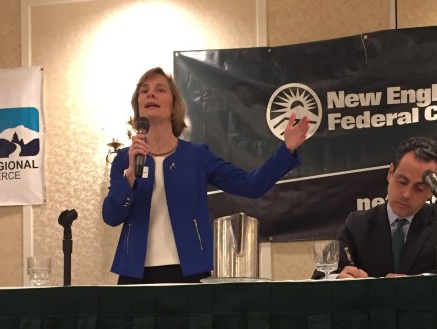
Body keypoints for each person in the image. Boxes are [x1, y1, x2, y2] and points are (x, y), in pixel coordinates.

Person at [103, 67, 309, 284]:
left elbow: (251, 186)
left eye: (160, 90)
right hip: (134, 274)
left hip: (189, 272)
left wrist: (287, 150)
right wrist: (129, 176)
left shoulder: (196, 156)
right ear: (137, 105)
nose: (150, 94)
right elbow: (111, 216)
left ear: (174, 106)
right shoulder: (124, 159)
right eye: (144, 91)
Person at [317, 136, 437, 279]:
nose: (406, 194)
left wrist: (419, 282)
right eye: (402, 181)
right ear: (390, 173)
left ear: (431, 191)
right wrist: (339, 278)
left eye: (419, 188)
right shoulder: (357, 223)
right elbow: (321, 275)